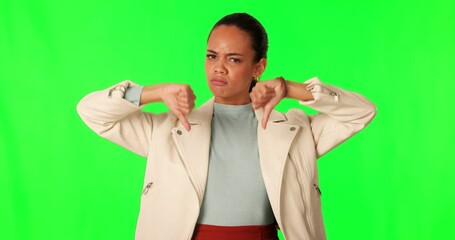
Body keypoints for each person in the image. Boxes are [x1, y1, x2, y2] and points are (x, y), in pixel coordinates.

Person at [76, 12, 376, 240]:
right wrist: (151, 93)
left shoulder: (295, 130)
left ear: (258, 67)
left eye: (233, 59)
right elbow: (91, 112)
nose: (218, 67)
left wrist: (291, 88)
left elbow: (362, 111)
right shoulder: (166, 130)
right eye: (211, 56)